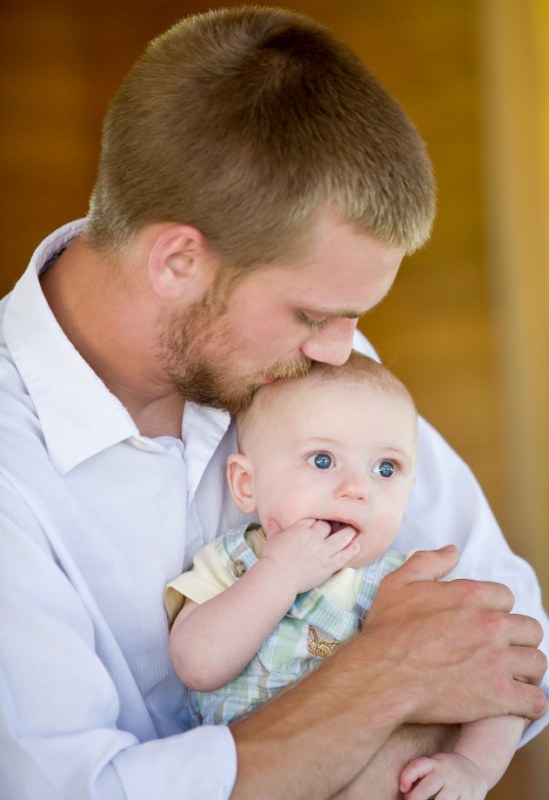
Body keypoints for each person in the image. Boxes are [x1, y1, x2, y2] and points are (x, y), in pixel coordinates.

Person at [0, 5, 547, 800]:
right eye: (312, 313)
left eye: (353, 317)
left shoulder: (305, 363)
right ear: (179, 261)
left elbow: (508, 639)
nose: (341, 350)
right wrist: (383, 680)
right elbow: (76, 789)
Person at [166, 352, 527, 800]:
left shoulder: (409, 584)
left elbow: (503, 683)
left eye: (386, 469)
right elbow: (196, 665)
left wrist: (472, 767)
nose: (358, 488)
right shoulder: (236, 562)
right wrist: (279, 573)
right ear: (246, 485)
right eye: (322, 460)